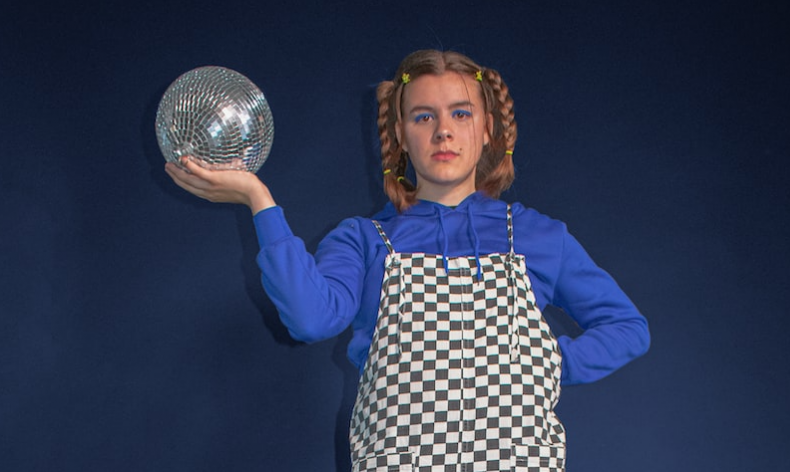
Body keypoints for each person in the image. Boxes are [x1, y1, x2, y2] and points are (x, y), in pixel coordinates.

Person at [166, 49, 650, 472]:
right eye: (423, 117)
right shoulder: (364, 240)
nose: (443, 131)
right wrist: (259, 201)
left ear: (487, 129)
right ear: (400, 134)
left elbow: (628, 327)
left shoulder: (537, 236)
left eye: (460, 113)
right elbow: (311, 320)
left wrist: (549, 362)